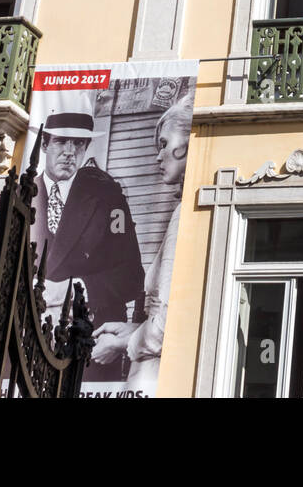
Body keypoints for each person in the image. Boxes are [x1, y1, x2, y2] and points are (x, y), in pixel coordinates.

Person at [31, 95, 144, 383]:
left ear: (86, 148)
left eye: (78, 144)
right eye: (61, 141)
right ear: (45, 144)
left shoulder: (107, 197)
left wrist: (76, 287)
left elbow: (132, 275)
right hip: (29, 337)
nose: (70, 152)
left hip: (89, 341)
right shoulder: (22, 195)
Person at [90, 96, 191, 394]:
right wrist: (132, 330)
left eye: (164, 144)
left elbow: (169, 324)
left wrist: (121, 342)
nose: (158, 156)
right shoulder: (184, 209)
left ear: (188, 141)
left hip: (154, 375)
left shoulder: (184, 214)